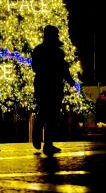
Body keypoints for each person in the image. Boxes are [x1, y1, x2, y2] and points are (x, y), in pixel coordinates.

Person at [32, 25, 75, 156]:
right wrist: (69, 80)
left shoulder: (40, 50)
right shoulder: (55, 51)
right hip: (50, 86)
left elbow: (36, 68)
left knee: (48, 113)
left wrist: (68, 79)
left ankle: (45, 141)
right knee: (49, 114)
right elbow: (62, 68)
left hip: (45, 85)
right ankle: (45, 141)